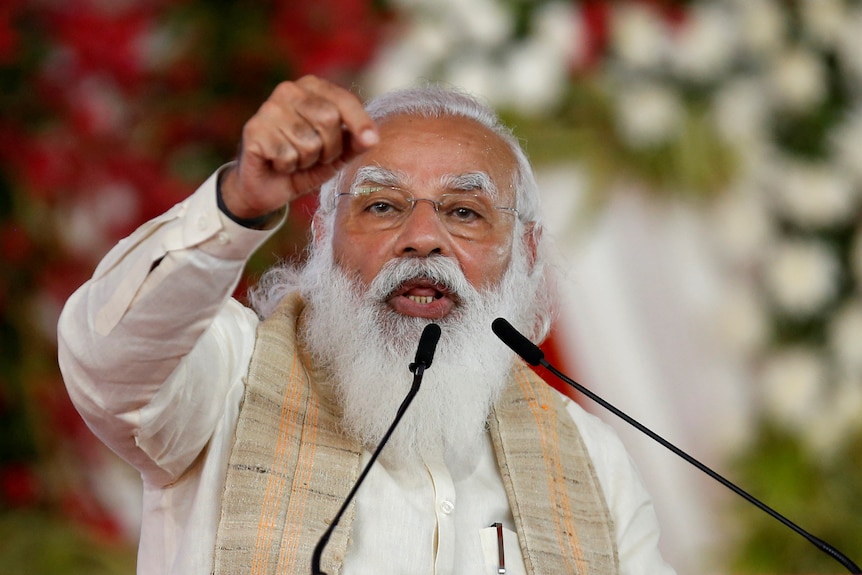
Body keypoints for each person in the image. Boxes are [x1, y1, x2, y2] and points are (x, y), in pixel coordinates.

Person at [57, 75, 677, 575]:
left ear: (526, 253)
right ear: (324, 234)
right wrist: (239, 202)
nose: (423, 239)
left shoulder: (591, 463)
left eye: (464, 211)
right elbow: (108, 360)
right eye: (382, 206)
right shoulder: (226, 378)